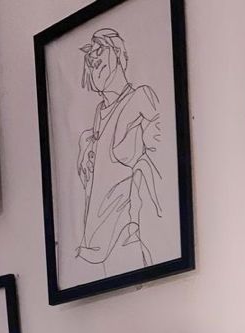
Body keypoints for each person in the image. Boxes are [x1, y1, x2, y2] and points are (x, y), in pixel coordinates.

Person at [77, 28, 162, 275]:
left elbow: (161, 153)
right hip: (94, 243)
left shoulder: (140, 98)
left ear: (117, 54)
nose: (94, 66)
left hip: (125, 233)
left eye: (100, 56)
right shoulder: (98, 114)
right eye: (91, 63)